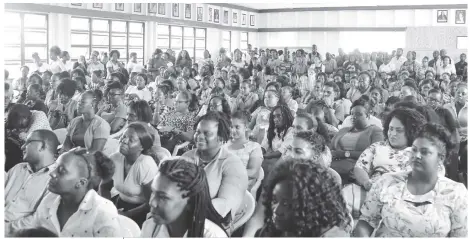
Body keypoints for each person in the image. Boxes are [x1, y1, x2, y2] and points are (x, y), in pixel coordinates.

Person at [353, 123, 467, 237]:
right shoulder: (387, 182)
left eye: (424, 152)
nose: (416, 155)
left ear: (440, 158)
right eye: (414, 149)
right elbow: (365, 223)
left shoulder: (455, 193)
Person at [6, 149, 122, 237]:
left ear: (81, 183)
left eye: (61, 171)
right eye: (55, 167)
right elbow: (34, 227)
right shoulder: (50, 201)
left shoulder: (103, 212)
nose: (51, 174)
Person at [182, 111, 248, 226]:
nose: (200, 137)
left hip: (210, 225)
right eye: (198, 132)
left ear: (221, 138)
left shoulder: (233, 165)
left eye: (207, 133)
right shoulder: (187, 157)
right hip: (181, 218)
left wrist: (180, 207)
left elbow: (224, 207)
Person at [255, 158, 352, 237]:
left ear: (312, 205)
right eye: (274, 200)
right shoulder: (273, 230)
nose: (276, 210)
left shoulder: (332, 235)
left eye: (286, 204)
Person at [141, 159, 228, 237]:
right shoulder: (150, 227)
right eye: (153, 192)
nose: (152, 202)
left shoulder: (214, 236)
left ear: (190, 203)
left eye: (163, 197)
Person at [101, 122, 158, 227]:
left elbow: (151, 202)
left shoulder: (144, 165)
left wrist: (126, 215)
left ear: (142, 147)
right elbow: (104, 186)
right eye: (123, 136)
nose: (124, 141)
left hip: (141, 212)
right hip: (119, 204)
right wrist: (110, 207)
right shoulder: (115, 158)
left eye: (131, 140)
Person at [5, 130, 59, 222]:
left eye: (28, 142)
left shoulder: (55, 180)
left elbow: (38, 220)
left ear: (42, 146)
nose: (22, 147)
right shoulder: (18, 169)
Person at [330, 97, 384, 184]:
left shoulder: (375, 131)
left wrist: (345, 154)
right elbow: (331, 148)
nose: (354, 117)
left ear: (367, 116)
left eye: (359, 114)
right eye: (352, 114)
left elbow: (374, 154)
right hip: (335, 164)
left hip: (357, 168)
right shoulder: (343, 130)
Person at [225, 111, 263, 190]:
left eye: (237, 127)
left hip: (241, 187)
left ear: (245, 127)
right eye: (231, 127)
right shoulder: (225, 145)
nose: (233, 130)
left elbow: (254, 172)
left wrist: (230, 172)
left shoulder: (254, 147)